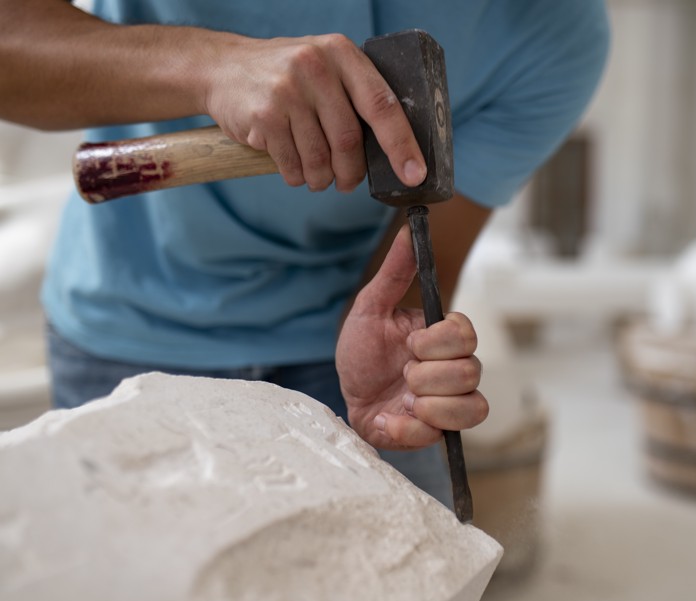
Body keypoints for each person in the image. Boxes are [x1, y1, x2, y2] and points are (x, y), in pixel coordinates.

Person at [0, 0, 609, 507]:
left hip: (341, 349)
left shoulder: (554, 30)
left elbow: (413, 262)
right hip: (131, 325)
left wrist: (395, 355)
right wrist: (211, 65)